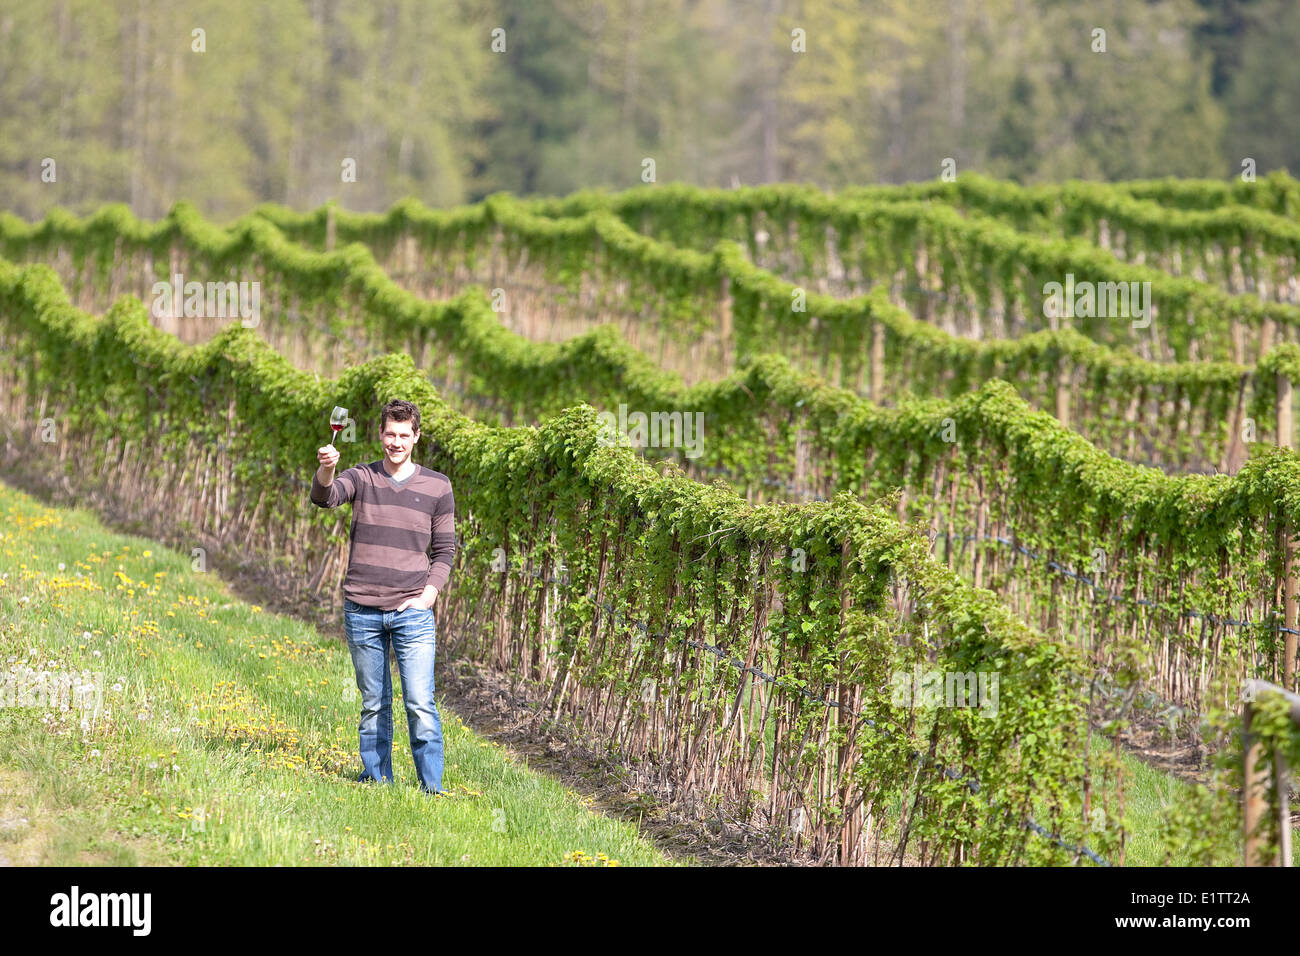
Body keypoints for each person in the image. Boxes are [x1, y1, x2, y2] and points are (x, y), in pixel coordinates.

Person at [311, 399, 455, 795]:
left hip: (412, 611)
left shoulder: (437, 486)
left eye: (404, 435)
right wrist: (326, 469)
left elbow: (445, 551)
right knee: (374, 702)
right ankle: (376, 780)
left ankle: (432, 788)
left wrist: (428, 596)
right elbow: (325, 498)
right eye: (390, 434)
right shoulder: (361, 477)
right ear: (380, 434)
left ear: (416, 437)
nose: (396, 442)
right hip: (362, 610)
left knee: (420, 703)